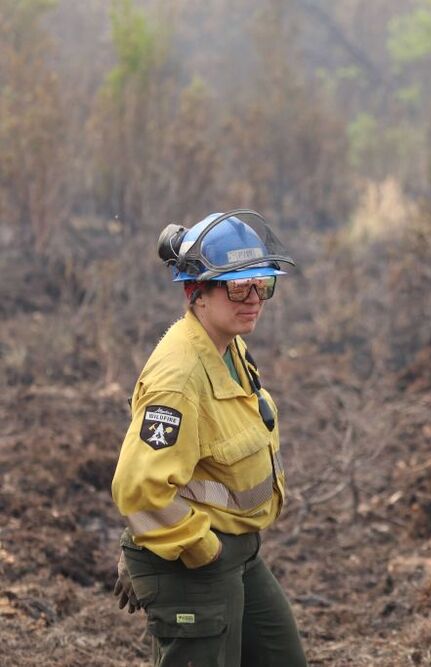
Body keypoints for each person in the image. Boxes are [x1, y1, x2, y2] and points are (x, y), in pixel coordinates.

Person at [110, 209, 307, 667]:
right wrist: (204, 550)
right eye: (238, 286)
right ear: (195, 291)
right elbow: (139, 490)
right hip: (196, 559)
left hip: (241, 552)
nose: (254, 298)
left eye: (264, 284)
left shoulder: (228, 344)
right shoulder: (179, 377)